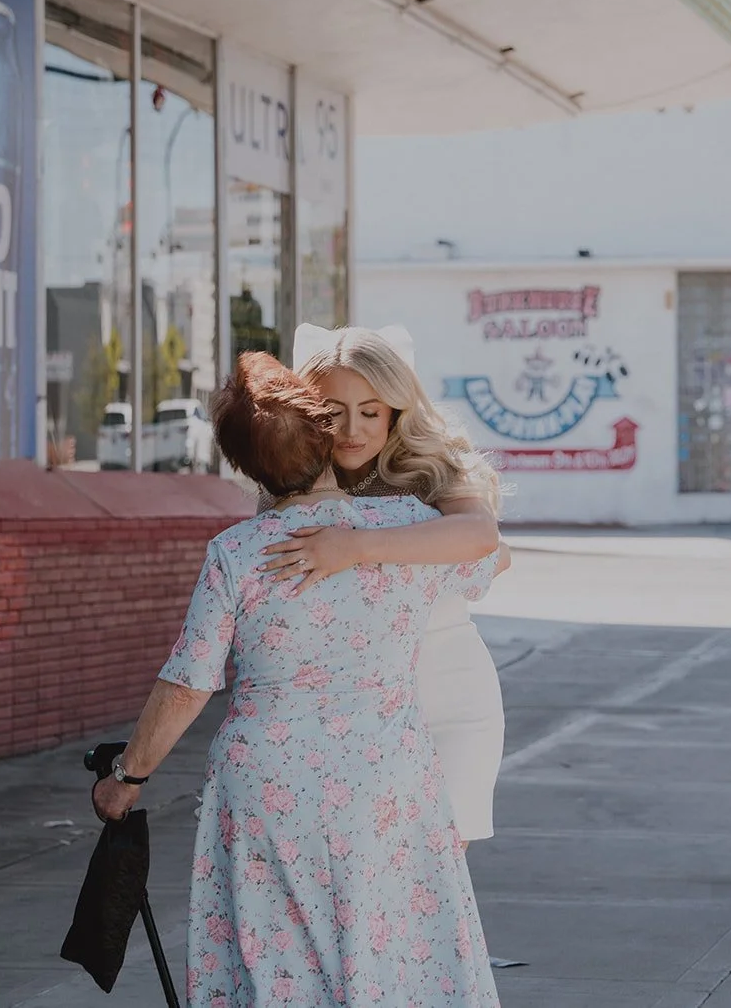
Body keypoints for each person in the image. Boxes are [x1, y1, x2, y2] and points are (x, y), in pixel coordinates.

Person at [92, 352, 502, 1006]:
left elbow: (187, 681)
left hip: (267, 782)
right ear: (326, 434)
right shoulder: (412, 527)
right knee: (395, 945)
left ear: (244, 464)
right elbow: (488, 554)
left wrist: (128, 778)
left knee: (275, 953)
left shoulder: (237, 551)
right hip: (385, 775)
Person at [258, 324, 509, 845]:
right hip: (347, 709)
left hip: (448, 697)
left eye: (370, 411)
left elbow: (483, 537)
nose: (352, 429)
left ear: (395, 410)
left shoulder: (431, 467)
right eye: (332, 411)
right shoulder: (292, 479)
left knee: (432, 879)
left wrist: (354, 548)